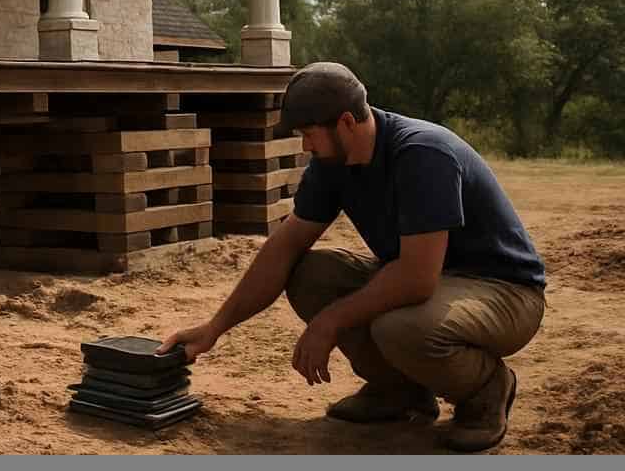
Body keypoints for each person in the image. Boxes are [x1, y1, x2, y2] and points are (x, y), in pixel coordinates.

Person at [159, 61, 546, 452]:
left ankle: (485, 388)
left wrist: (330, 321)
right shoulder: (334, 164)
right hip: (439, 285)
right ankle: (399, 391)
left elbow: (416, 278)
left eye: (309, 133)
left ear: (346, 122)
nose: (305, 145)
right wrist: (214, 328)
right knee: (310, 274)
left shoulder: (423, 154)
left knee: (400, 327)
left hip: (503, 290)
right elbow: (285, 246)